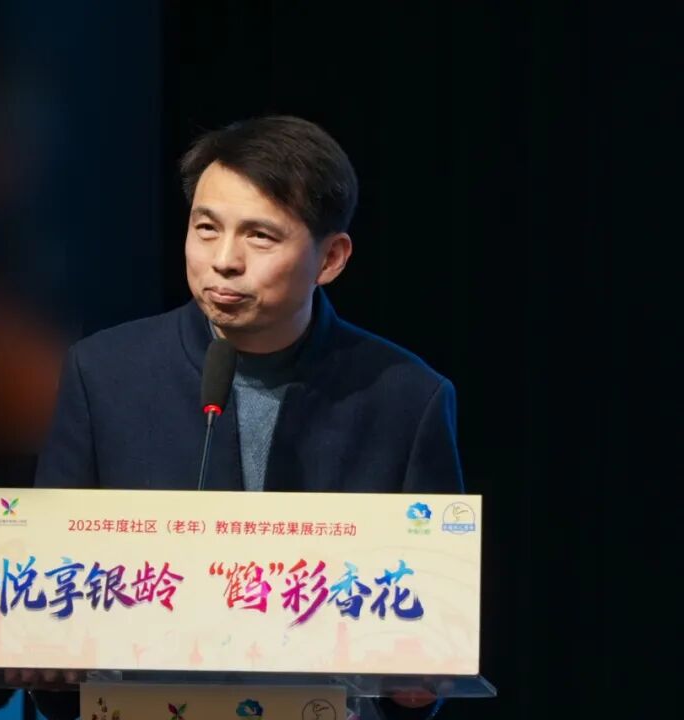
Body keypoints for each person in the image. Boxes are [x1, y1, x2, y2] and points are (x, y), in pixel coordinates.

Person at [24, 116, 460, 720]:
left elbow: (423, 634)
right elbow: (50, 586)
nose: (224, 261)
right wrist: (41, 653)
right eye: (206, 228)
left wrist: (419, 679)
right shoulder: (102, 373)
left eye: (259, 236)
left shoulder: (406, 397)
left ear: (331, 258)